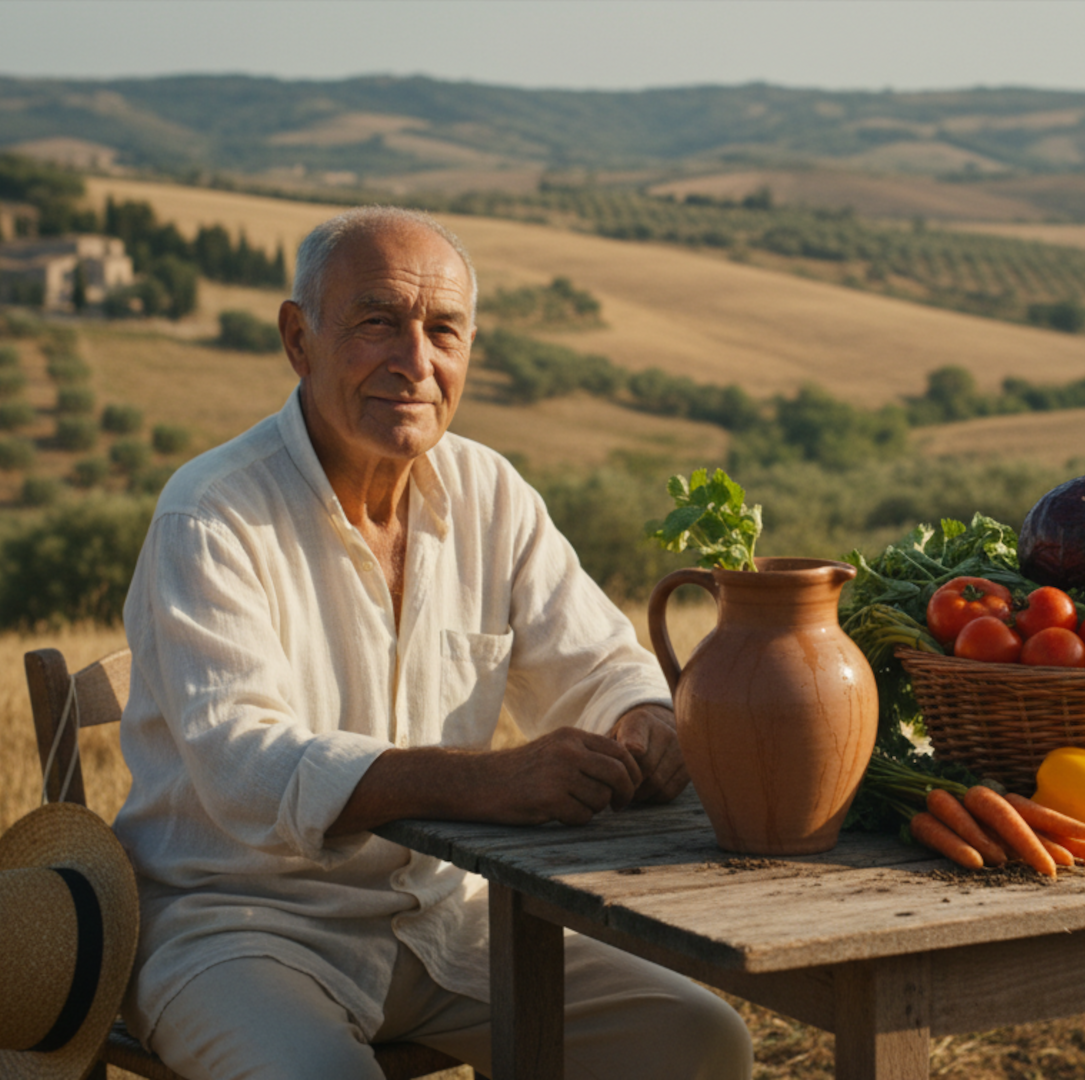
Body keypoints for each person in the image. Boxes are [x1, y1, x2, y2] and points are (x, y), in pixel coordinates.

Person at [112, 205, 753, 1079]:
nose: (415, 363)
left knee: (696, 1041)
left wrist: (645, 722)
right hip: (241, 927)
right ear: (298, 339)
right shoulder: (213, 511)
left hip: (454, 919)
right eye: (378, 322)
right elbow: (246, 767)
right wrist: (487, 782)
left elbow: (600, 664)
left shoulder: (490, 492)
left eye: (442, 330)